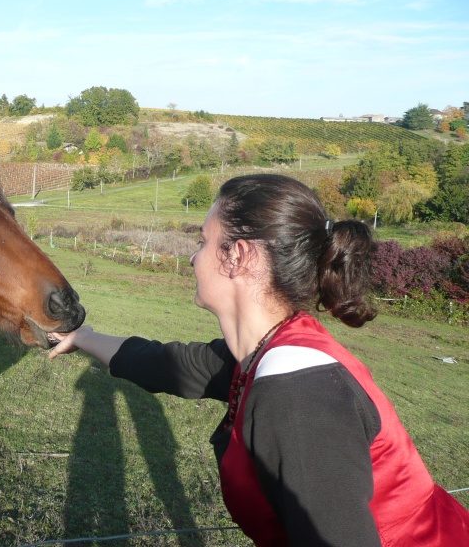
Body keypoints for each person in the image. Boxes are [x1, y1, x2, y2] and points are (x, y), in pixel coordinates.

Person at [48, 174, 469, 546]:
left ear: (239, 255)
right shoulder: (269, 348)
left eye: (203, 242)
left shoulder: (297, 397)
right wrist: (82, 336)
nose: (193, 258)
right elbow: (170, 365)